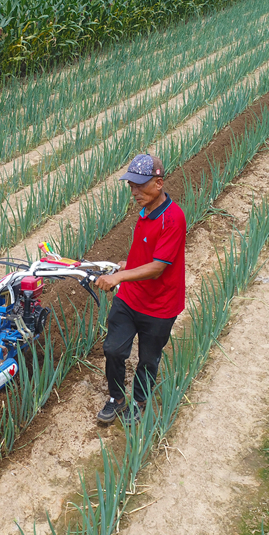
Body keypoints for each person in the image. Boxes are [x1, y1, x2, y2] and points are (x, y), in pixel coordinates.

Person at [92, 153, 186, 425]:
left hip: (160, 306)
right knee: (113, 349)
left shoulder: (173, 218)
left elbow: (158, 267)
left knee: (148, 358)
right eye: (131, 186)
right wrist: (127, 263)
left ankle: (139, 401)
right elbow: (145, 251)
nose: (133, 191)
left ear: (158, 183)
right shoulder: (145, 211)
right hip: (131, 299)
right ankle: (116, 399)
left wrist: (120, 276)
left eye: (139, 185)